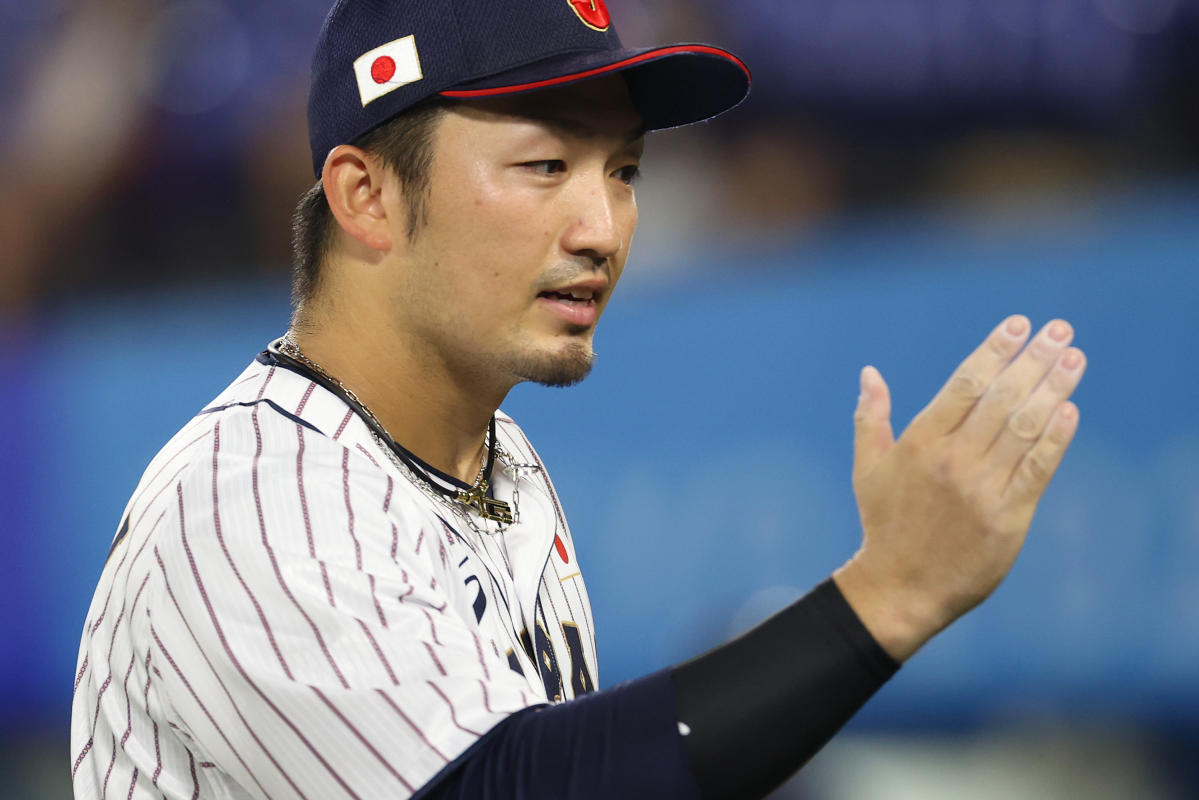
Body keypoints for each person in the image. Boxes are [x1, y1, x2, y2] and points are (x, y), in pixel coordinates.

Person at [71, 1, 1087, 798]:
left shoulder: (498, 461)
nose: (602, 226)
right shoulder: (256, 493)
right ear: (365, 196)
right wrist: (885, 595)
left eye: (625, 170)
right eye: (545, 164)